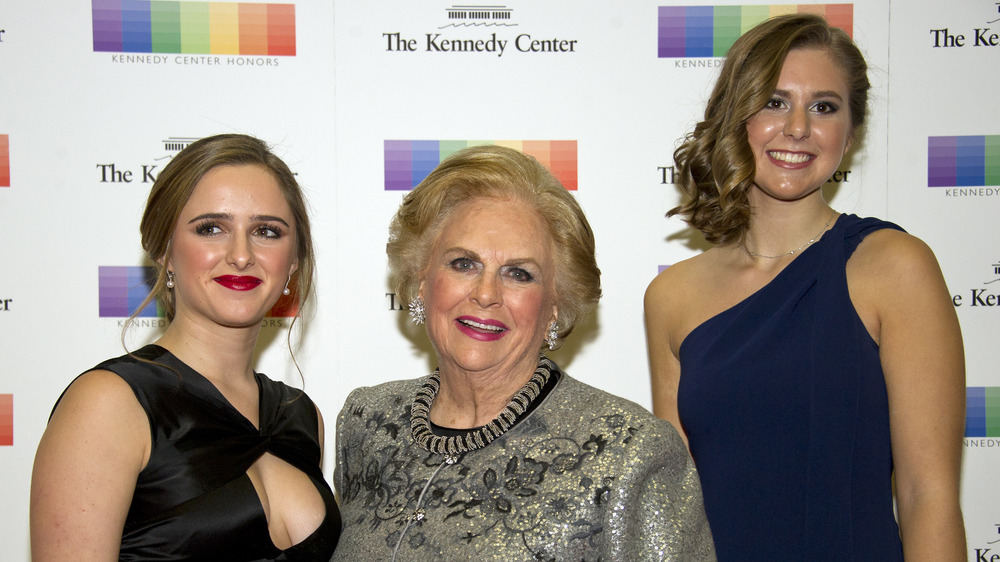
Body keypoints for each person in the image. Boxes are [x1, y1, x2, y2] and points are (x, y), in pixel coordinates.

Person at [644, 13, 966, 561]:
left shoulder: (893, 266)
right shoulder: (672, 295)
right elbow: (679, 509)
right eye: (773, 101)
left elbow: (926, 496)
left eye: (823, 106)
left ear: (850, 130)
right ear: (734, 115)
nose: (797, 127)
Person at [332, 145, 716, 561]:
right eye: (463, 263)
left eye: (519, 274)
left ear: (555, 304)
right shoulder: (367, 422)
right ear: (421, 279)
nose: (485, 294)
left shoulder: (629, 452)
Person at [30, 134, 340, 560]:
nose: (241, 254)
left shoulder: (301, 418)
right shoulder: (109, 404)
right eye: (211, 228)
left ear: (293, 262)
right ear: (165, 251)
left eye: (266, 231)